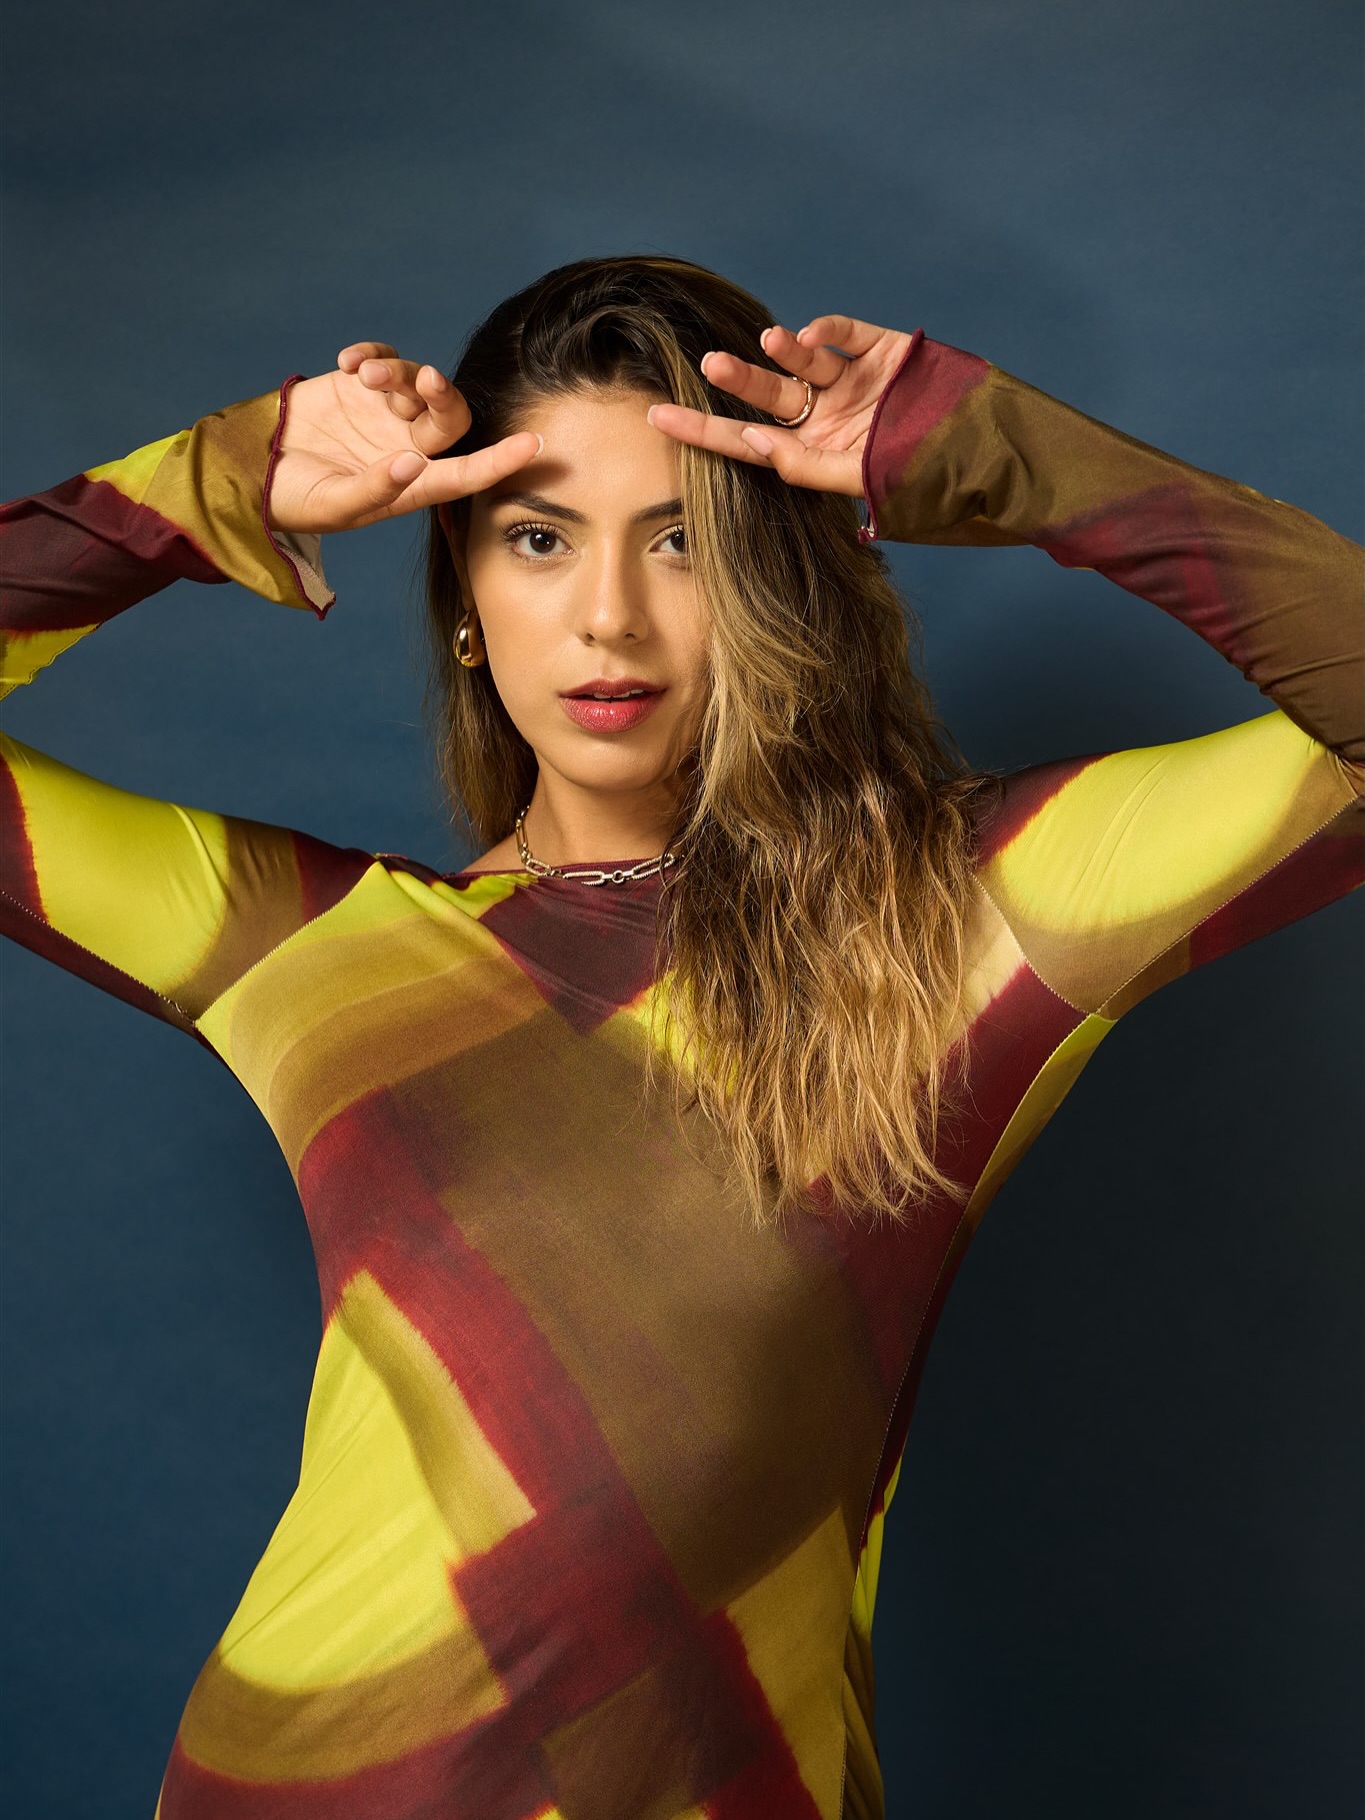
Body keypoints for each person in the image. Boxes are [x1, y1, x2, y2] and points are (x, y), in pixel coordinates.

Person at [1, 252, 1359, 1819]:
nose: (608, 617)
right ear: (463, 601)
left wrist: (1009, 454)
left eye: (682, 543)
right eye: (538, 538)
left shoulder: (969, 922)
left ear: (775, 580)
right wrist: (211, 487)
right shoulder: (310, 949)